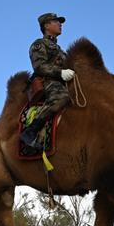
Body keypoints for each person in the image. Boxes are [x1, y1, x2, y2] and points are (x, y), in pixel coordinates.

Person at [21, 12, 75, 148]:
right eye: (56, 21)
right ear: (46, 25)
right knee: (61, 97)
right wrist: (60, 72)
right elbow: (39, 66)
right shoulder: (39, 44)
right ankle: (31, 131)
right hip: (47, 81)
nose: (60, 24)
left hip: (63, 81)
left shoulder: (60, 50)